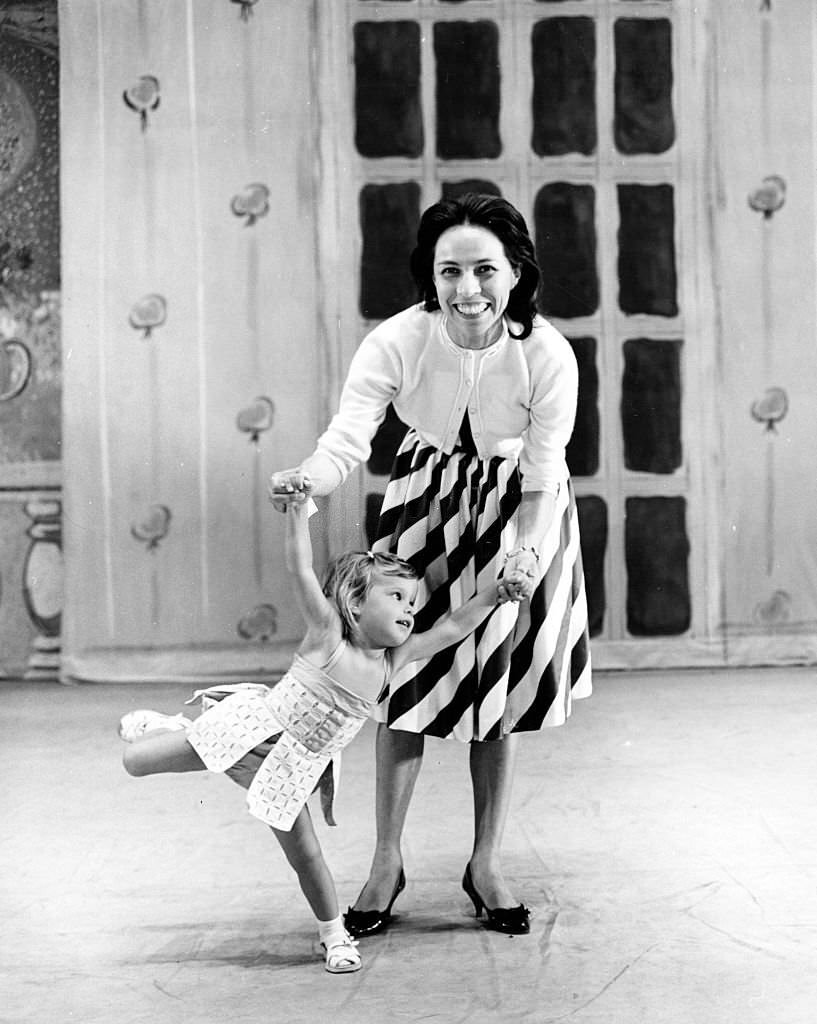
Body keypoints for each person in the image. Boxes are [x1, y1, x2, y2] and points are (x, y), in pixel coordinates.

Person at [269, 192, 592, 938]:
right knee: (398, 677)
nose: (467, 290)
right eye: (450, 271)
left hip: (519, 509)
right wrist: (307, 478)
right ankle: (386, 861)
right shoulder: (397, 340)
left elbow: (543, 474)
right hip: (426, 498)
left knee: (493, 684)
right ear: (430, 275)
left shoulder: (546, 353)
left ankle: (486, 862)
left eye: (484, 270)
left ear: (515, 272)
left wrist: (527, 553)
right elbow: (347, 439)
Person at [118, 476, 523, 973]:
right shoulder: (327, 634)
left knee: (305, 854)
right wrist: (298, 511)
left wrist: (496, 594)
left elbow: (453, 629)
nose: (410, 611)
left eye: (411, 603)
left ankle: (335, 937)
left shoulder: (395, 663)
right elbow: (301, 569)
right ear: (355, 602)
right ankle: (171, 726)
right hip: (250, 730)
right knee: (134, 762)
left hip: (293, 767)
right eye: (396, 597)